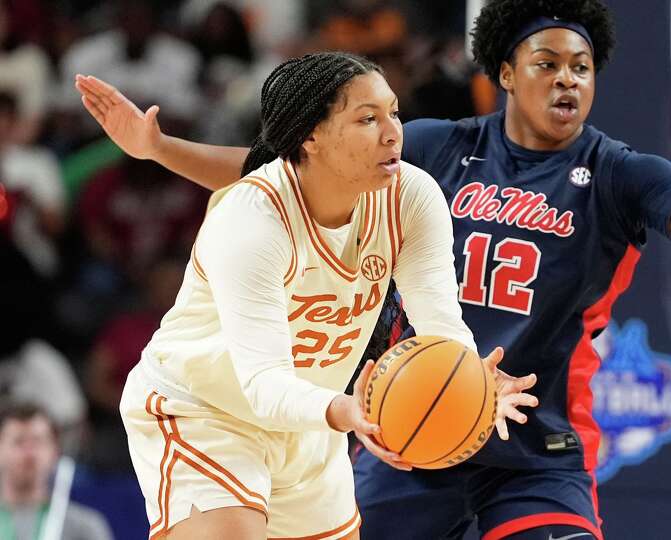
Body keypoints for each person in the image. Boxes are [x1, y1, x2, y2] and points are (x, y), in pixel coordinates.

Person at [74, 1, 671, 538]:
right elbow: (280, 169)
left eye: (581, 67)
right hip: (407, 426)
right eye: (547, 62)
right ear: (505, 72)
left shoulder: (621, 173)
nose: (567, 79)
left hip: (532, 439)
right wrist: (160, 148)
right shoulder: (434, 149)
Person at [81, 52, 536, 540]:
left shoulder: (411, 196)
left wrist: (470, 381)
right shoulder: (251, 220)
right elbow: (263, 384)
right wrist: (350, 412)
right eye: (367, 119)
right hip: (205, 412)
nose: (393, 133)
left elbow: (441, 324)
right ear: (311, 137)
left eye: (393, 112)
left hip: (310, 423)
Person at [0, 403, 114, 540]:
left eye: (37, 442)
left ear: (55, 451)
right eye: (19, 442)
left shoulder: (84, 527)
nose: (29, 454)